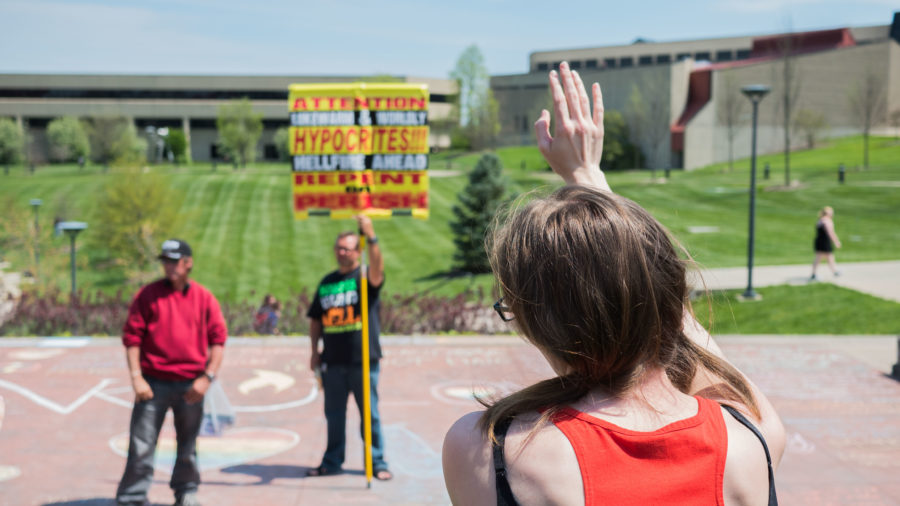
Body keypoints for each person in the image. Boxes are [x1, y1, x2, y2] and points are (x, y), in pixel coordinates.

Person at [442, 62, 786, 505]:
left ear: (536, 324)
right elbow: (709, 366)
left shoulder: (490, 451)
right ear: (664, 299)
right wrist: (589, 177)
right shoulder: (748, 442)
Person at [116, 239, 227, 506]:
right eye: (165, 261)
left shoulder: (203, 297)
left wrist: (207, 377)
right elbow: (132, 338)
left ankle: (186, 491)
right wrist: (136, 377)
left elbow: (218, 340)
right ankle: (132, 497)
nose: (169, 267)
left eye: (174, 261)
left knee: (188, 445)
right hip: (153, 384)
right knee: (141, 444)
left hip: (191, 385)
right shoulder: (148, 295)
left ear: (188, 263)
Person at [306, 215, 392, 480]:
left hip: (363, 360)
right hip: (333, 362)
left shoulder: (365, 278)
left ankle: (377, 462)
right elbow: (316, 319)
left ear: (358, 251)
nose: (341, 252)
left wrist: (371, 235)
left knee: (370, 415)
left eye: (347, 248)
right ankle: (332, 460)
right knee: (333, 415)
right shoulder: (327, 282)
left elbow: (378, 269)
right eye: (338, 247)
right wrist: (314, 351)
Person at [810, 206, 842, 280]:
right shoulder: (827, 221)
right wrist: (836, 241)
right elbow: (830, 232)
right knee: (828, 257)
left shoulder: (820, 220)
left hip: (819, 241)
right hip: (825, 242)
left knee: (822, 257)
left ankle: (833, 271)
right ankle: (834, 271)